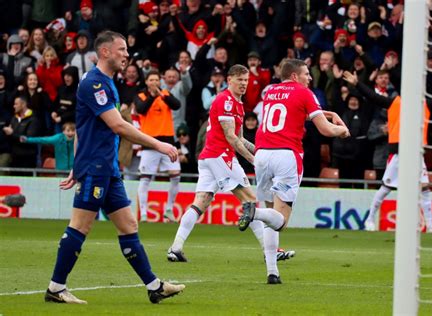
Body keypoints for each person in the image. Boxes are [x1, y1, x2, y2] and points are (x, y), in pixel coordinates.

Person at [44, 31, 184, 305]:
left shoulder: (107, 82)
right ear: (105, 52)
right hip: (96, 167)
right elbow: (117, 125)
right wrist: (159, 145)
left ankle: (154, 286)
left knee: (129, 224)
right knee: (81, 226)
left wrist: (75, 165)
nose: (126, 54)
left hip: (106, 167)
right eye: (121, 49)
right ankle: (56, 287)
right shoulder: (94, 84)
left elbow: (83, 127)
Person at [167, 64, 295, 264]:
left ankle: (176, 247)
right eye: (240, 80)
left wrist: (261, 150)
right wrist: (255, 161)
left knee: (201, 201)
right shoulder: (225, 100)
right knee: (251, 201)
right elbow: (230, 137)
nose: (244, 84)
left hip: (210, 157)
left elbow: (241, 138)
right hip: (220, 156)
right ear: (229, 80)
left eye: (246, 80)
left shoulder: (238, 104)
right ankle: (270, 250)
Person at [238, 59, 350, 284]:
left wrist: (323, 111)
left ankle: (272, 272)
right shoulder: (304, 93)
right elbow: (325, 130)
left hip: (262, 155)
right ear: (295, 76)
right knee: (280, 220)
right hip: (286, 156)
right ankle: (254, 213)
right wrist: (342, 130)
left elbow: (292, 112)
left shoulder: (270, 92)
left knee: (271, 212)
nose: (309, 78)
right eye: (307, 74)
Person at [342, 70, 432, 233]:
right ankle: (369, 219)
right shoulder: (396, 103)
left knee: (425, 187)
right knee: (386, 188)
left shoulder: (425, 104)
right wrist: (357, 83)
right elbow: (374, 97)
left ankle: (430, 225)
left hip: (417, 154)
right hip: (399, 154)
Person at [134, 70, 181, 222]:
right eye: (151, 80)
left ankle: (169, 209)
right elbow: (141, 109)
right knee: (145, 178)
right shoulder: (141, 96)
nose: (154, 83)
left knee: (175, 175)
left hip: (167, 142)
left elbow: (177, 105)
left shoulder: (165, 93)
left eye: (156, 80)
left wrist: (163, 95)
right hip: (150, 143)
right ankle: (144, 213)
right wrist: (153, 96)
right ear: (146, 82)